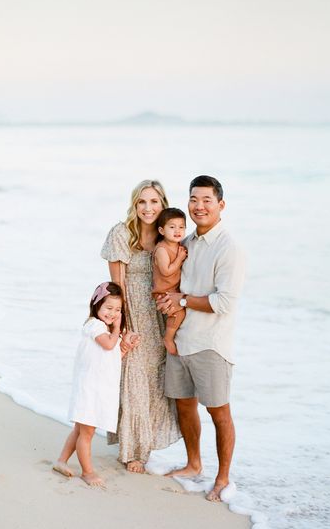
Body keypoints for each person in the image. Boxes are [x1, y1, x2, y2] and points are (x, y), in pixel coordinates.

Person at [157, 175, 245, 502]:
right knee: (184, 405)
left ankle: (222, 478)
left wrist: (181, 299)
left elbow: (224, 302)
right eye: (194, 199)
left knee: (219, 412)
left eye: (207, 200)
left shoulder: (229, 248)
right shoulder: (186, 243)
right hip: (181, 339)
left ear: (221, 205)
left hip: (211, 344)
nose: (199, 206)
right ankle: (193, 464)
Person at [101, 180, 181, 473]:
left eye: (154, 202)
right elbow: (116, 286)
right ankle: (133, 450)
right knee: (133, 379)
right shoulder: (121, 233)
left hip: (160, 316)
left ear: (163, 204)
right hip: (134, 314)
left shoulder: (168, 238)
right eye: (142, 202)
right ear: (134, 205)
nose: (148, 208)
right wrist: (122, 326)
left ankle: (145, 444)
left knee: (155, 383)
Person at [53, 281, 137, 488]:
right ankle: (87, 472)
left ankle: (61, 461)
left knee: (80, 430)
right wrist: (118, 329)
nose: (113, 313)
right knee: (87, 432)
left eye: (117, 310)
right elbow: (108, 344)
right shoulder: (94, 325)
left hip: (100, 387)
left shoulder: (108, 330)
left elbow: (114, 354)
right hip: (89, 386)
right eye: (108, 308)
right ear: (96, 304)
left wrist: (126, 345)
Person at [152, 207, 188, 355]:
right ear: (161, 231)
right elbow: (166, 271)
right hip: (163, 292)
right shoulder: (162, 249)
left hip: (174, 290)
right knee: (178, 313)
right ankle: (168, 338)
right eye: (172, 227)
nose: (177, 231)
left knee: (182, 312)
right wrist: (179, 259)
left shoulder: (179, 246)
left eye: (181, 227)